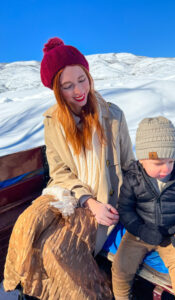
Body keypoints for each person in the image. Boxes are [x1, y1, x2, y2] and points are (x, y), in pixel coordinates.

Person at [3, 37, 134, 300]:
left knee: (55, 249)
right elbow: (60, 169)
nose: (78, 90)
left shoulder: (113, 116)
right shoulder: (53, 121)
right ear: (57, 90)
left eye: (82, 79)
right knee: (26, 228)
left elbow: (129, 165)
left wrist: (126, 205)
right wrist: (86, 200)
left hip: (102, 202)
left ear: (88, 75)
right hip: (68, 195)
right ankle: (27, 291)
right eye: (67, 85)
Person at [112, 116, 175, 300]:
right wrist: (140, 229)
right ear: (142, 159)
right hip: (139, 233)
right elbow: (125, 209)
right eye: (158, 163)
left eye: (171, 161)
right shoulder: (133, 179)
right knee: (121, 267)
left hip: (173, 235)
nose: (166, 169)